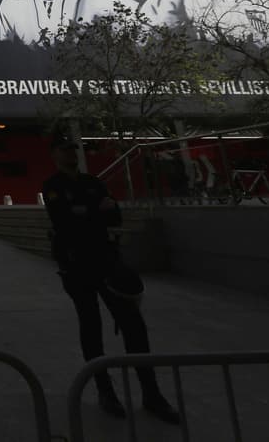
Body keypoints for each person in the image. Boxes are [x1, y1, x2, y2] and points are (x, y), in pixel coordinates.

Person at [42, 134, 179, 424]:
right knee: (91, 326)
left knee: (134, 327)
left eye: (73, 150)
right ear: (54, 154)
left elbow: (113, 216)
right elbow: (63, 221)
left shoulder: (93, 182)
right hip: (76, 266)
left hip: (106, 262)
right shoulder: (53, 186)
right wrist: (94, 212)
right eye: (65, 150)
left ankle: (151, 393)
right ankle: (106, 391)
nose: (72, 154)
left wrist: (85, 213)